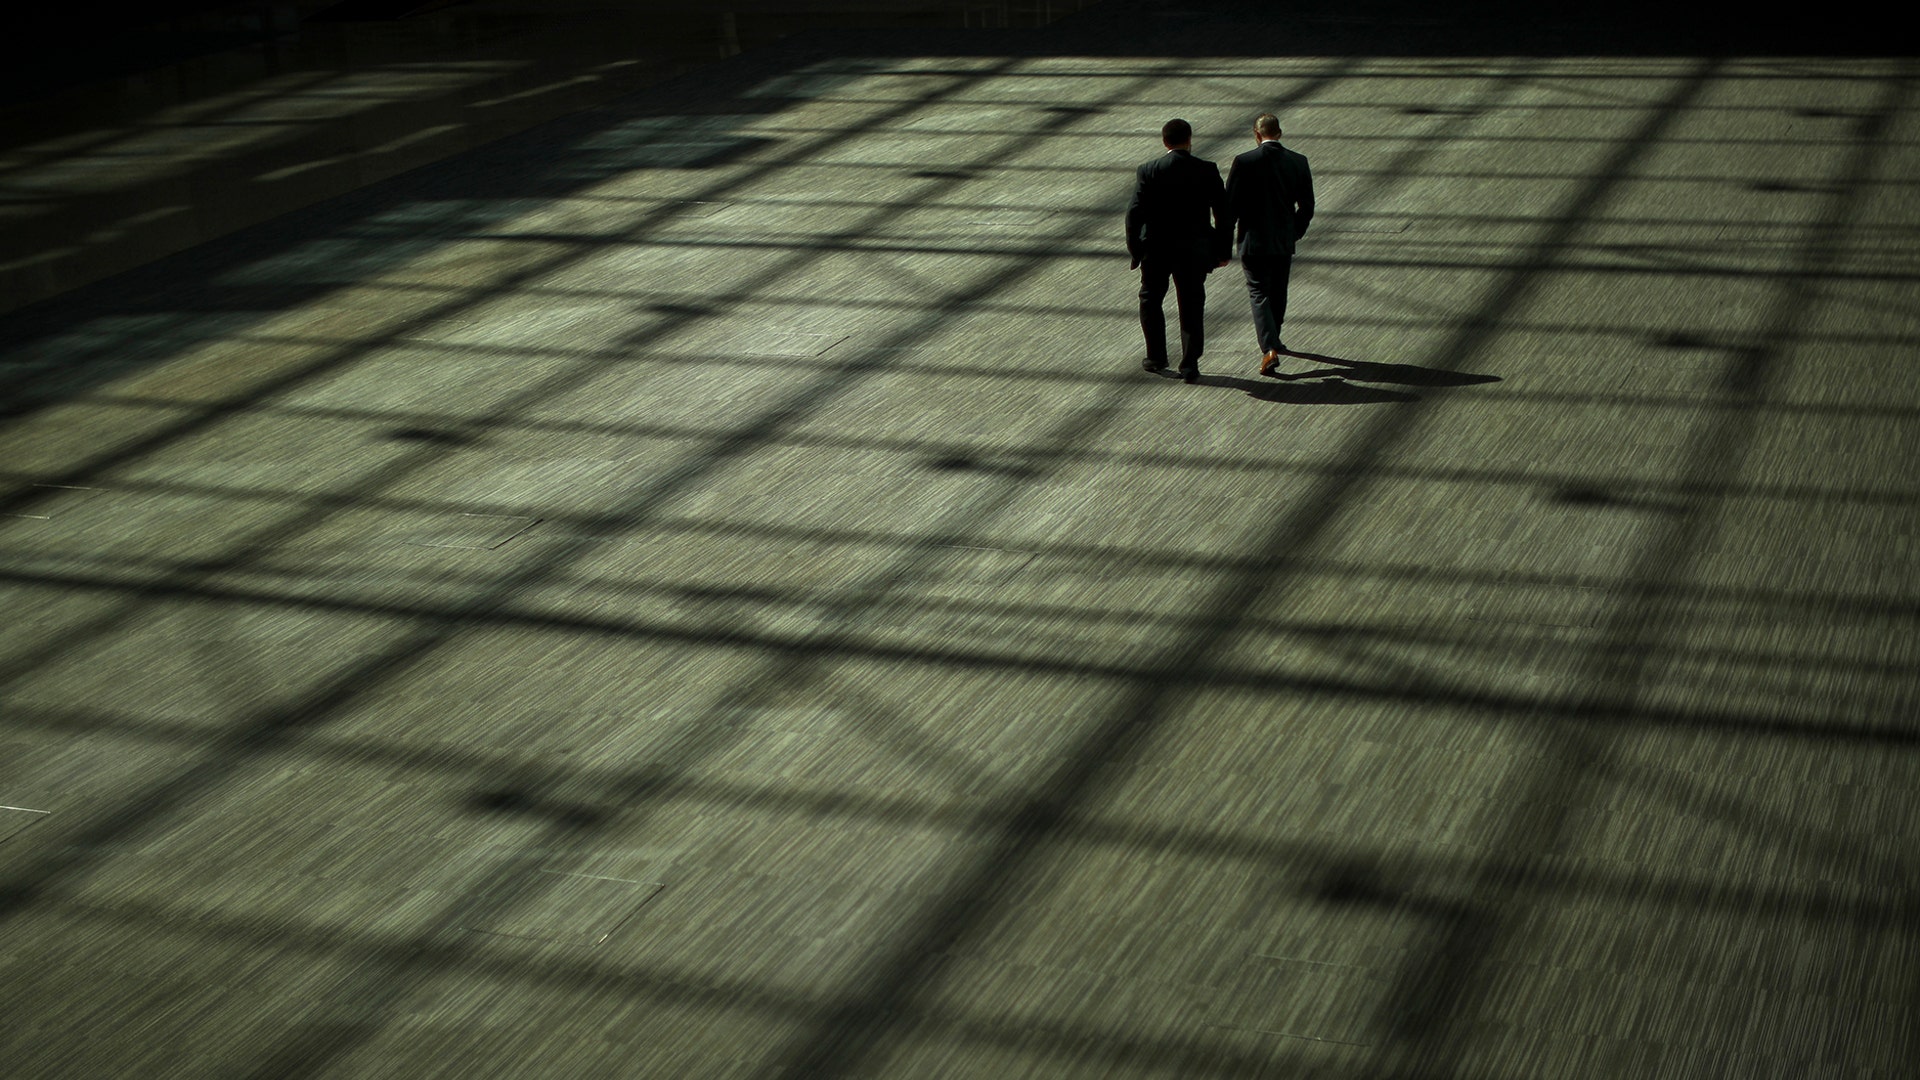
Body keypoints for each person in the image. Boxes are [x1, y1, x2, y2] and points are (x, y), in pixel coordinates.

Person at [1125, 118, 1230, 383]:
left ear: (1164, 142)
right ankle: (1190, 363)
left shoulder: (1149, 170)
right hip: (1193, 250)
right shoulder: (1207, 170)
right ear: (1189, 139)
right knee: (1192, 304)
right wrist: (1222, 250)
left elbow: (1134, 213)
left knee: (1150, 300)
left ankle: (1156, 357)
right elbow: (1224, 214)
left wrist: (1136, 249)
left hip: (1156, 250)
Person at [1224, 113, 1314, 376]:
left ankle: (1269, 348)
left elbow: (1230, 206)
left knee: (1258, 292)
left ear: (1256, 134)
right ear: (1280, 133)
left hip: (1253, 240)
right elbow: (1307, 205)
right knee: (1278, 290)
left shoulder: (1244, 162)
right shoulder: (1298, 162)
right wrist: (1294, 231)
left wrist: (1224, 239)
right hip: (1283, 239)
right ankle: (1275, 338)